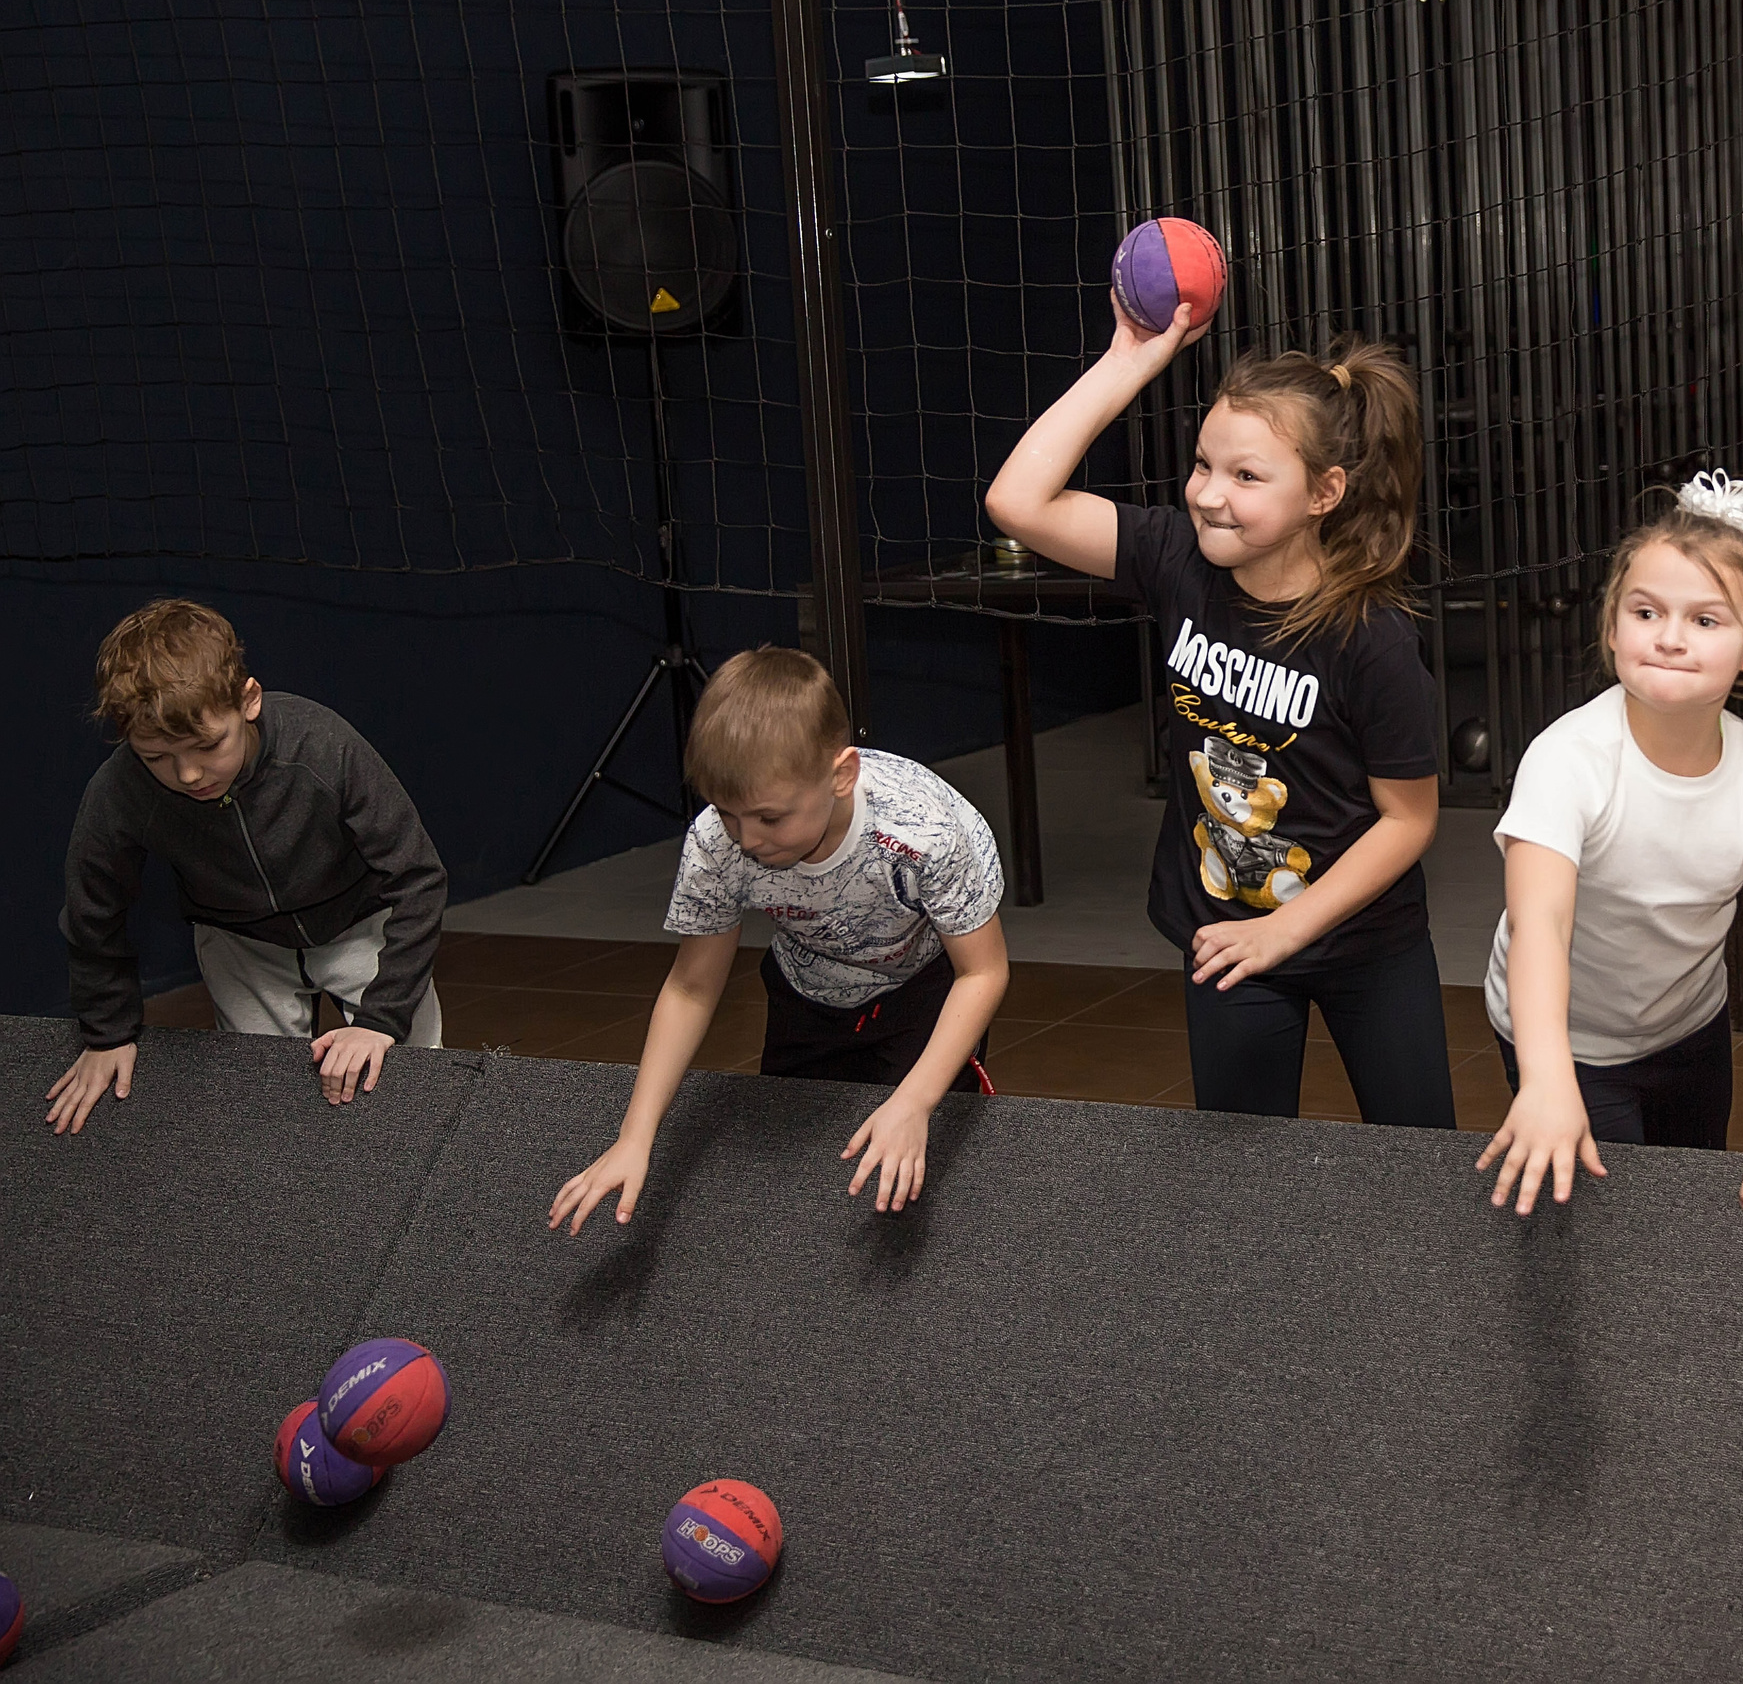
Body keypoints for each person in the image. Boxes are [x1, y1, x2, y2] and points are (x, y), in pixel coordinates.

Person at [983, 293, 1453, 1128]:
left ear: (1325, 492)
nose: (1208, 495)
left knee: (1423, 1165)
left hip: (1362, 945)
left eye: (1246, 476)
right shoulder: (1176, 557)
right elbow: (1017, 502)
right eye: (1203, 465)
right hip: (1227, 938)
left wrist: (1289, 930)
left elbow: (1408, 822)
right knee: (1237, 1182)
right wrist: (1128, 361)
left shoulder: (1371, 639)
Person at [1476, 470, 1743, 1217]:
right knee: (1607, 1231)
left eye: (1707, 621)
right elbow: (1539, 924)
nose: (1671, 637)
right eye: (1646, 611)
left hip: (1690, 1031)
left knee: (1684, 1217)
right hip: (1565, 1038)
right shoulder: (1568, 758)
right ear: (1613, 624)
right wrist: (1547, 1076)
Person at [548, 648, 1008, 1231]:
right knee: (802, 1183)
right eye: (727, 812)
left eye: (768, 818)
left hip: (929, 989)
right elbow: (691, 988)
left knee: (914, 1168)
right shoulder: (717, 843)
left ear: (842, 776)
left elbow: (983, 973)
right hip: (808, 987)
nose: (746, 838)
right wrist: (634, 1139)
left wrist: (915, 1101)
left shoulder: (927, 831)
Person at [48, 600, 447, 1133]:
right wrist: (107, 1034)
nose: (188, 774)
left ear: (248, 700)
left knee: (417, 1083)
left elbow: (418, 878)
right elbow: (92, 912)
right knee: (262, 1107)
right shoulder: (120, 793)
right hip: (240, 942)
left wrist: (381, 1020)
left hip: (359, 922)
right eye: (156, 757)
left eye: (208, 745)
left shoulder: (323, 747)